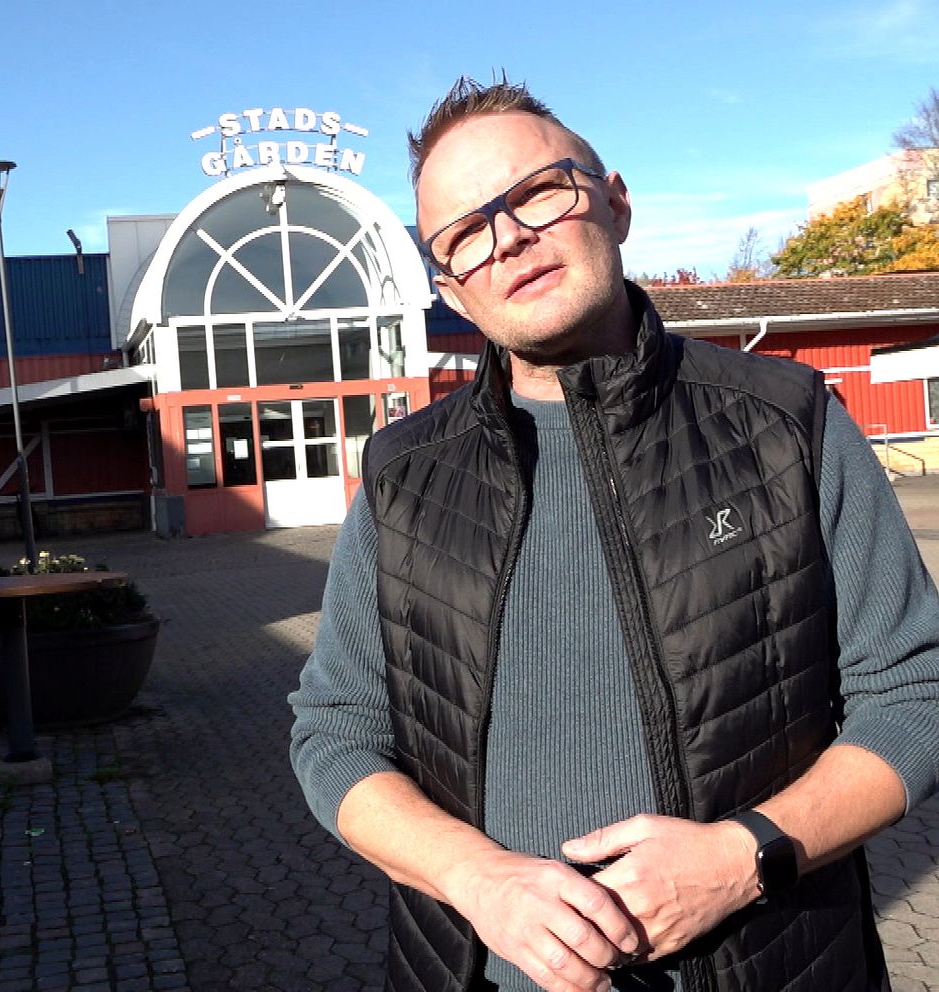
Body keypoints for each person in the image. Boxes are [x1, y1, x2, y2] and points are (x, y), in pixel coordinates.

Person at [289, 76, 939, 992]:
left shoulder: (789, 422)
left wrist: (743, 858)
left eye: (537, 193)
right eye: (466, 233)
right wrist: (475, 879)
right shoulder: (402, 477)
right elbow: (335, 734)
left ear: (616, 203)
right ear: (452, 291)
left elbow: (916, 692)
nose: (508, 238)